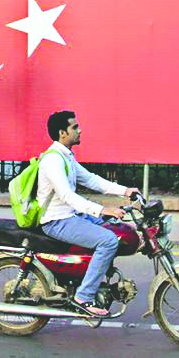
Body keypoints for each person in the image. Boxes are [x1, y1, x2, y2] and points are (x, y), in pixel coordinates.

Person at [37, 110, 140, 317]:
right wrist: (102, 210)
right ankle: (83, 296)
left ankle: (89, 277)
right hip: (57, 221)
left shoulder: (65, 156)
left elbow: (92, 180)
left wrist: (125, 191)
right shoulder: (53, 160)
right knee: (108, 241)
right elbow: (66, 195)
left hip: (71, 215)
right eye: (74, 127)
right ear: (62, 133)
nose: (80, 130)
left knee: (116, 227)